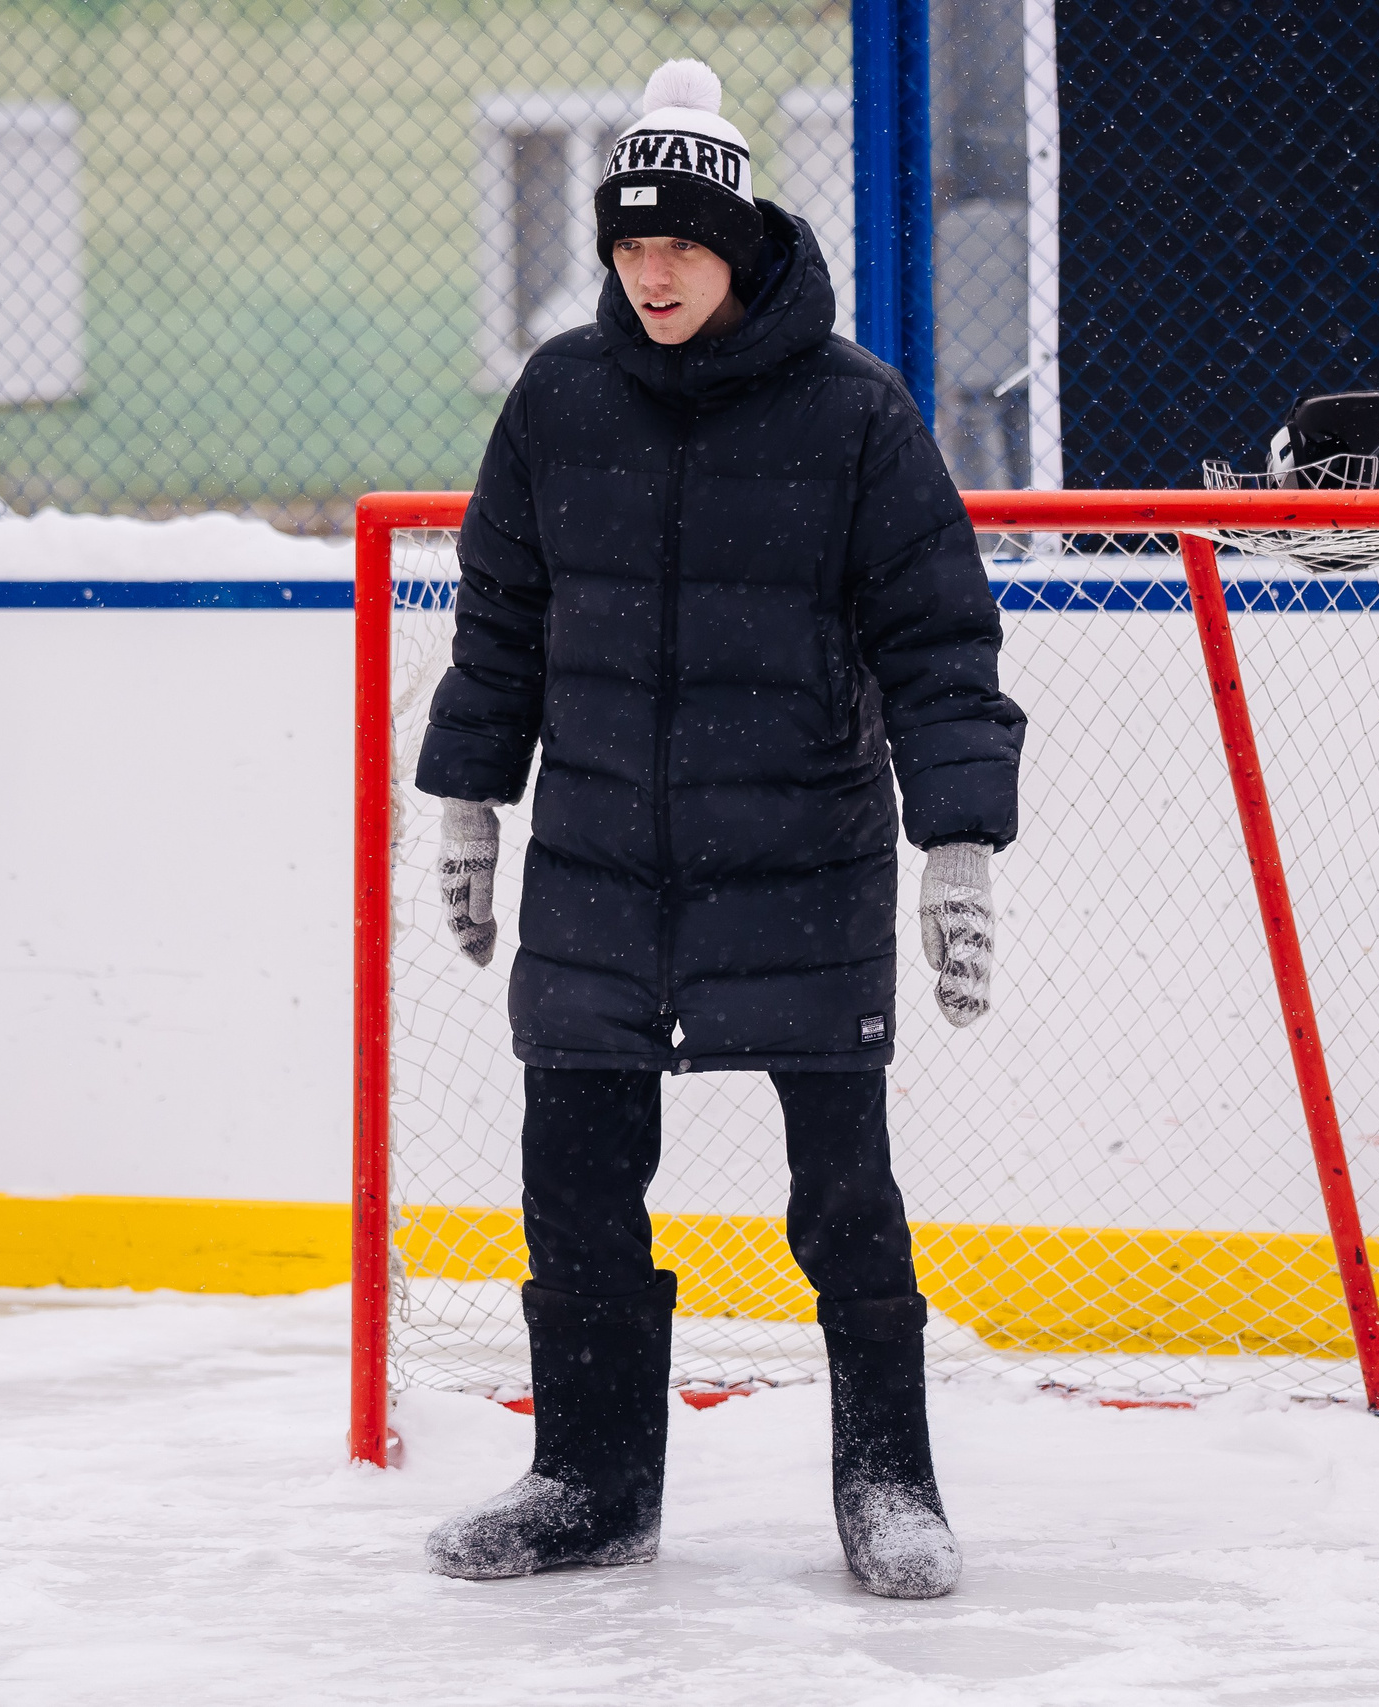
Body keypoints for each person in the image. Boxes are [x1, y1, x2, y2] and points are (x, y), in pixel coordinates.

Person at [414, 58, 1026, 1601]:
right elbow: (500, 622)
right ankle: (589, 1480)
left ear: (742, 241)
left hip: (804, 864)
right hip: (602, 869)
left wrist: (956, 844)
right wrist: (471, 800)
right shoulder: (558, 400)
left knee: (842, 1200)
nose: (653, 266)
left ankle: (890, 1482)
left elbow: (940, 644)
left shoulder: (856, 415)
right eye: (629, 242)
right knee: (573, 1185)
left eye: (682, 239)